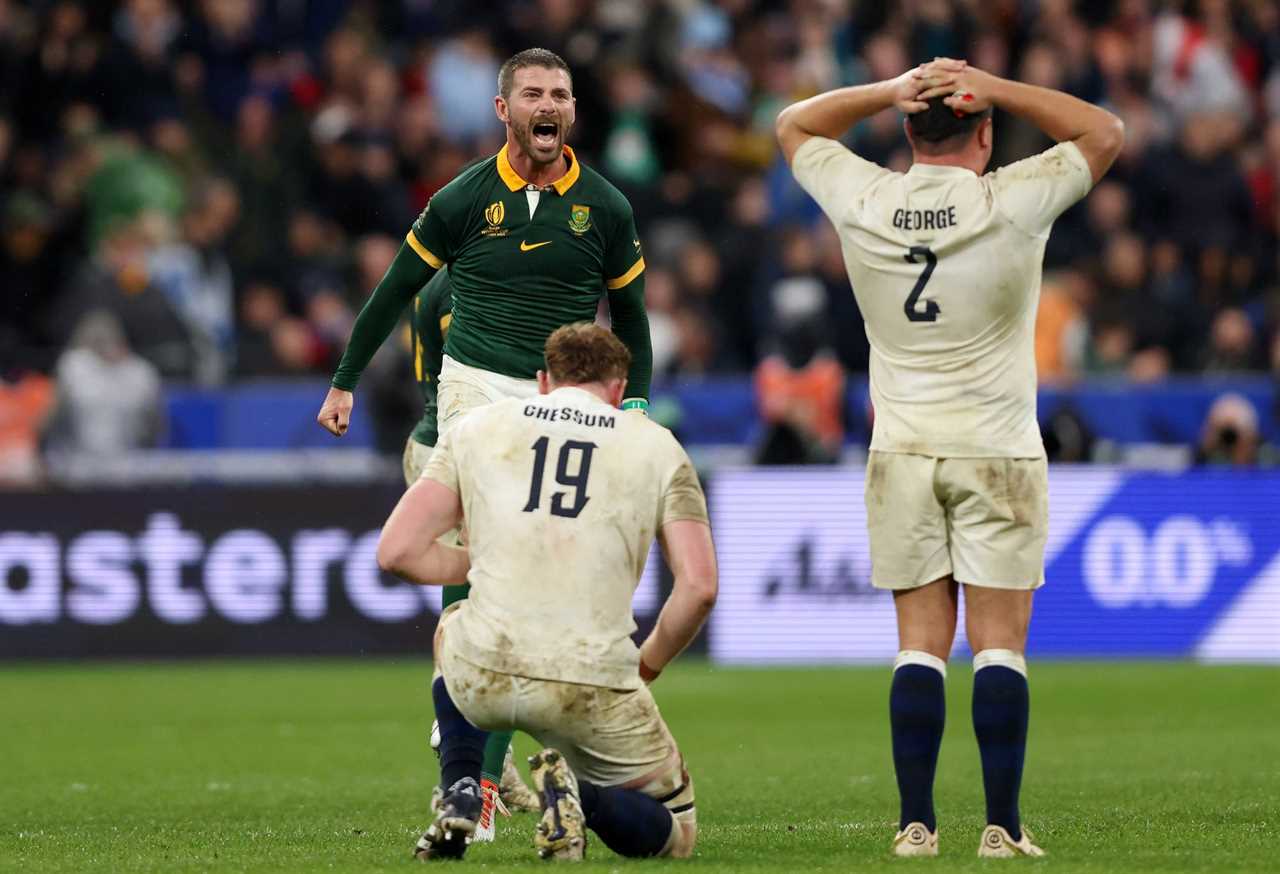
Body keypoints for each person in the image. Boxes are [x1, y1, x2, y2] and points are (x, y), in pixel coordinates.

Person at [777, 58, 1123, 858]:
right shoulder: (1013, 199)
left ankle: (916, 826)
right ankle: (1000, 828)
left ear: (906, 130)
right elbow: (1105, 131)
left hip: (901, 451)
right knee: (998, 645)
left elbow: (792, 124)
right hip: (997, 449)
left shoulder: (863, 197)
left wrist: (883, 89)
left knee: (918, 647)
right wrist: (997, 84)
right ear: (986, 132)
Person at [318, 46, 653, 836]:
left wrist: (632, 403)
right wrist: (343, 379)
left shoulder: (604, 207)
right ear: (503, 110)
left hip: (563, 404)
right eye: (533, 92)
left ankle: (472, 734)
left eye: (561, 94)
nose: (549, 104)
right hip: (471, 394)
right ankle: (471, 766)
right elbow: (395, 288)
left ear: (573, 111)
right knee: (488, 580)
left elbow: (631, 319)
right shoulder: (464, 198)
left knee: (541, 585)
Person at [376, 324, 716, 862]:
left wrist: (483, 562)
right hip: (593, 677)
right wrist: (646, 667)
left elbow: (396, 552)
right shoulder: (655, 445)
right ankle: (585, 798)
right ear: (619, 386)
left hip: (487, 666)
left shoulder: (479, 428)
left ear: (542, 381)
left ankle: (462, 783)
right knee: (676, 831)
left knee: (453, 623)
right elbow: (698, 587)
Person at [403, 269, 541, 833]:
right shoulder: (527, 280)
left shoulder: (430, 291)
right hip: (476, 458)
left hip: (434, 445)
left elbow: (429, 379)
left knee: (488, 609)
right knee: (509, 617)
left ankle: (479, 748)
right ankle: (472, 754)